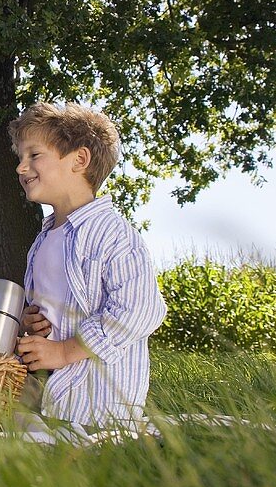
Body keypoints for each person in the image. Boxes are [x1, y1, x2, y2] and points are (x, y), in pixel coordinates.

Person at [9, 102, 167, 428]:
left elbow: (141, 310)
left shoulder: (112, 234)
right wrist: (30, 320)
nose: (21, 168)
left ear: (79, 160)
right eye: (21, 158)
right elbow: (54, 307)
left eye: (34, 155)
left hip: (96, 403)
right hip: (44, 390)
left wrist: (66, 351)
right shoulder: (44, 240)